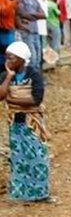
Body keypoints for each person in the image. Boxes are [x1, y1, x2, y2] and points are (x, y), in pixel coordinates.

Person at [2, 41, 48, 202]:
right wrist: (9, 77)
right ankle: (21, 193)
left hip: (32, 122)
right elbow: (1, 95)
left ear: (22, 59)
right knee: (19, 158)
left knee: (37, 156)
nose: (8, 61)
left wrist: (13, 98)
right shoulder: (6, 75)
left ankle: (40, 193)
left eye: (12, 58)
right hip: (15, 123)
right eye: (7, 58)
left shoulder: (34, 74)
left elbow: (36, 99)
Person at [16, 0, 46, 71]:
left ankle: (37, 78)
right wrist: (36, 15)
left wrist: (32, 15)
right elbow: (22, 13)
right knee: (31, 57)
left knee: (38, 56)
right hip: (26, 31)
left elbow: (43, 15)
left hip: (35, 30)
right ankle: (32, 78)